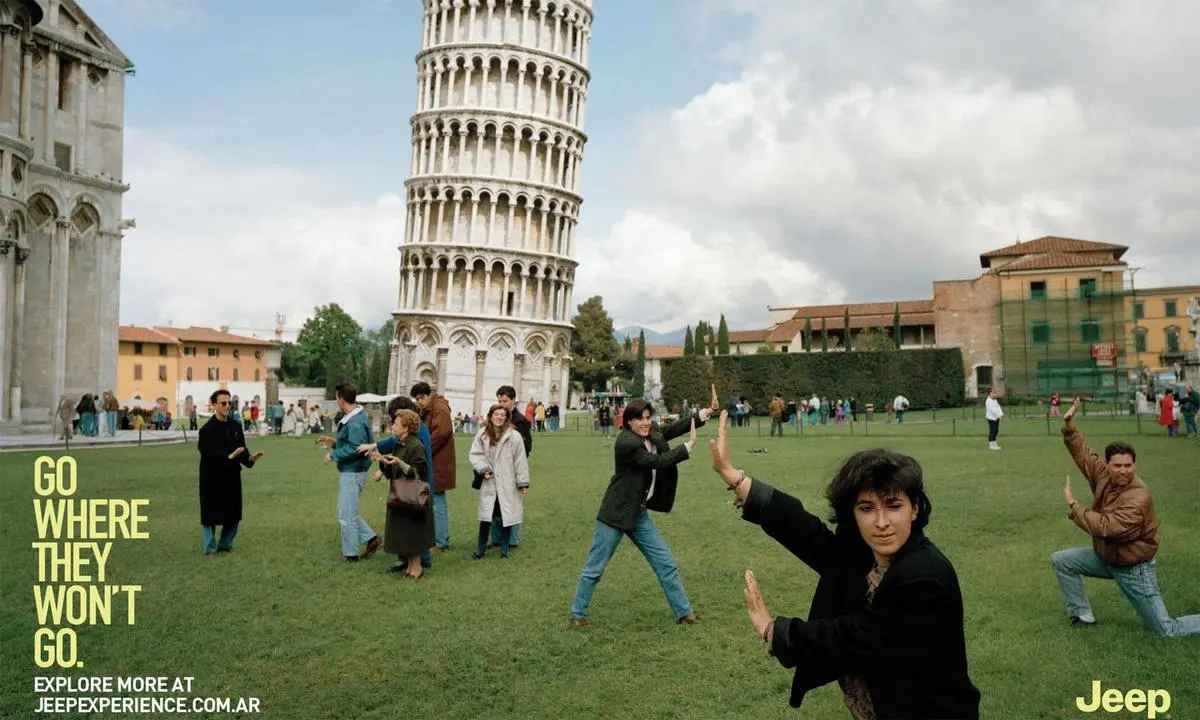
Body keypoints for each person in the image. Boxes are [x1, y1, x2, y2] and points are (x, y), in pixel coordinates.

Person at [708, 410, 980, 717]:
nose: (881, 522)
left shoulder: (924, 577)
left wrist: (775, 630)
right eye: (866, 508)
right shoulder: (869, 556)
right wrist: (736, 478)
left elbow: (853, 638)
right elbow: (808, 534)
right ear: (853, 513)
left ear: (914, 509)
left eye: (893, 506)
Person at [568, 385, 718, 627]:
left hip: (638, 514)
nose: (645, 423)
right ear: (629, 421)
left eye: (648, 418)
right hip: (615, 515)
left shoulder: (652, 431)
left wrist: (705, 413)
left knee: (665, 562)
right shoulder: (626, 443)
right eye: (639, 419)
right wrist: (686, 449)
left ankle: (684, 613)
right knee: (594, 568)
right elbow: (656, 461)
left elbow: (671, 428)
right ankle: (577, 615)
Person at [1051, 397, 1200, 636]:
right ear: (1108, 464)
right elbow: (1085, 456)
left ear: (1134, 465)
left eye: (1128, 465)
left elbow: (1107, 528)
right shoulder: (1104, 476)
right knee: (1062, 561)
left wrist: (1074, 505)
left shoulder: (1139, 496)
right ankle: (1082, 616)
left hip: (1133, 568)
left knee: (1166, 630)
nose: (1123, 471)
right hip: (1108, 557)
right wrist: (1069, 427)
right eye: (1117, 465)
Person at [358, 396, 436, 573]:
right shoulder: (400, 442)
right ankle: (409, 562)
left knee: (414, 528)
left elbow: (417, 469)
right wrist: (382, 461)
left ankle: (418, 564)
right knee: (404, 528)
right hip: (402, 491)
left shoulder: (416, 442)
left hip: (413, 491)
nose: (392, 426)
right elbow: (396, 461)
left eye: (395, 422)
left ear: (406, 426)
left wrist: (397, 463)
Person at [317, 383, 382, 562]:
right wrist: (334, 443)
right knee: (346, 512)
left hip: (352, 471)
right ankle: (371, 539)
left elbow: (356, 447)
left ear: (340, 398)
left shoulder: (355, 421)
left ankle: (351, 554)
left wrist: (333, 454)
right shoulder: (356, 418)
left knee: (346, 515)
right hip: (353, 470)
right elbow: (355, 444)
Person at [197, 389, 264, 556]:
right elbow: (206, 451)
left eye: (230, 403)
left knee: (233, 513)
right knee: (210, 514)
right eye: (223, 403)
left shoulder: (235, 426)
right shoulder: (207, 429)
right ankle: (210, 548)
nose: (228, 406)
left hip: (232, 476)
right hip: (212, 477)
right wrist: (227, 456)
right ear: (214, 405)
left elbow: (241, 449)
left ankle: (226, 544)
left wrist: (250, 458)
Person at [468, 405, 530, 559]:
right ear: (491, 416)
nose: (499, 417)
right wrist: (483, 469)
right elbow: (476, 454)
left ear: (506, 418)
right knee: (486, 517)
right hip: (489, 482)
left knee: (506, 515)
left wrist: (522, 483)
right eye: (496, 414)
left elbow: (520, 460)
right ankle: (480, 550)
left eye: (503, 415)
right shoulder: (482, 434)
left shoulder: (514, 436)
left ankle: (504, 550)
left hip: (507, 481)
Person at [411, 381, 455, 551]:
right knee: (434, 501)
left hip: (439, 461)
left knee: (438, 501)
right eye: (417, 399)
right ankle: (437, 538)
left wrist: (423, 449)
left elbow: (442, 433)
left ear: (429, 395)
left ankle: (442, 541)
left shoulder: (440, 409)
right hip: (434, 459)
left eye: (422, 398)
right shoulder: (430, 408)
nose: (420, 402)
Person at [490, 385, 533, 550]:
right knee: (495, 502)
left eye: (505, 401)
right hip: (496, 468)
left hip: (513, 469)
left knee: (512, 503)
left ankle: (512, 539)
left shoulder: (520, 421)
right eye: (499, 400)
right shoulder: (495, 417)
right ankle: (496, 538)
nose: (501, 404)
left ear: (513, 401)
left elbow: (526, 446)